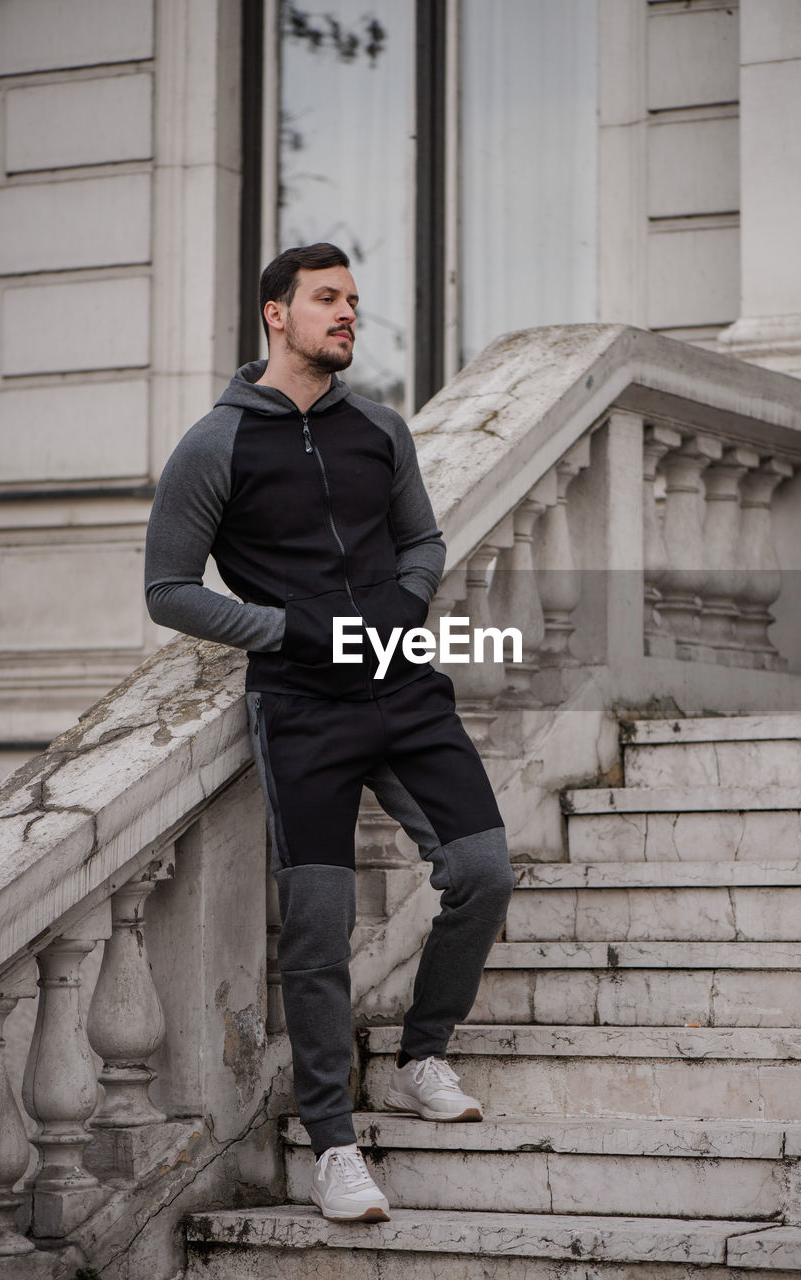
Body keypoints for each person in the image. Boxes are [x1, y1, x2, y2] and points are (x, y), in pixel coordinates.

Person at [144, 242, 515, 1223]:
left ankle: (422, 1054)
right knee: (315, 929)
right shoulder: (214, 445)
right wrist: (288, 627)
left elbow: (424, 539)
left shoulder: (379, 429)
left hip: (404, 690)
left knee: (482, 868)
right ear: (276, 313)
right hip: (301, 707)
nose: (347, 312)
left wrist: (404, 597)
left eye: (352, 298)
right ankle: (332, 1145)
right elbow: (169, 589)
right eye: (325, 299)